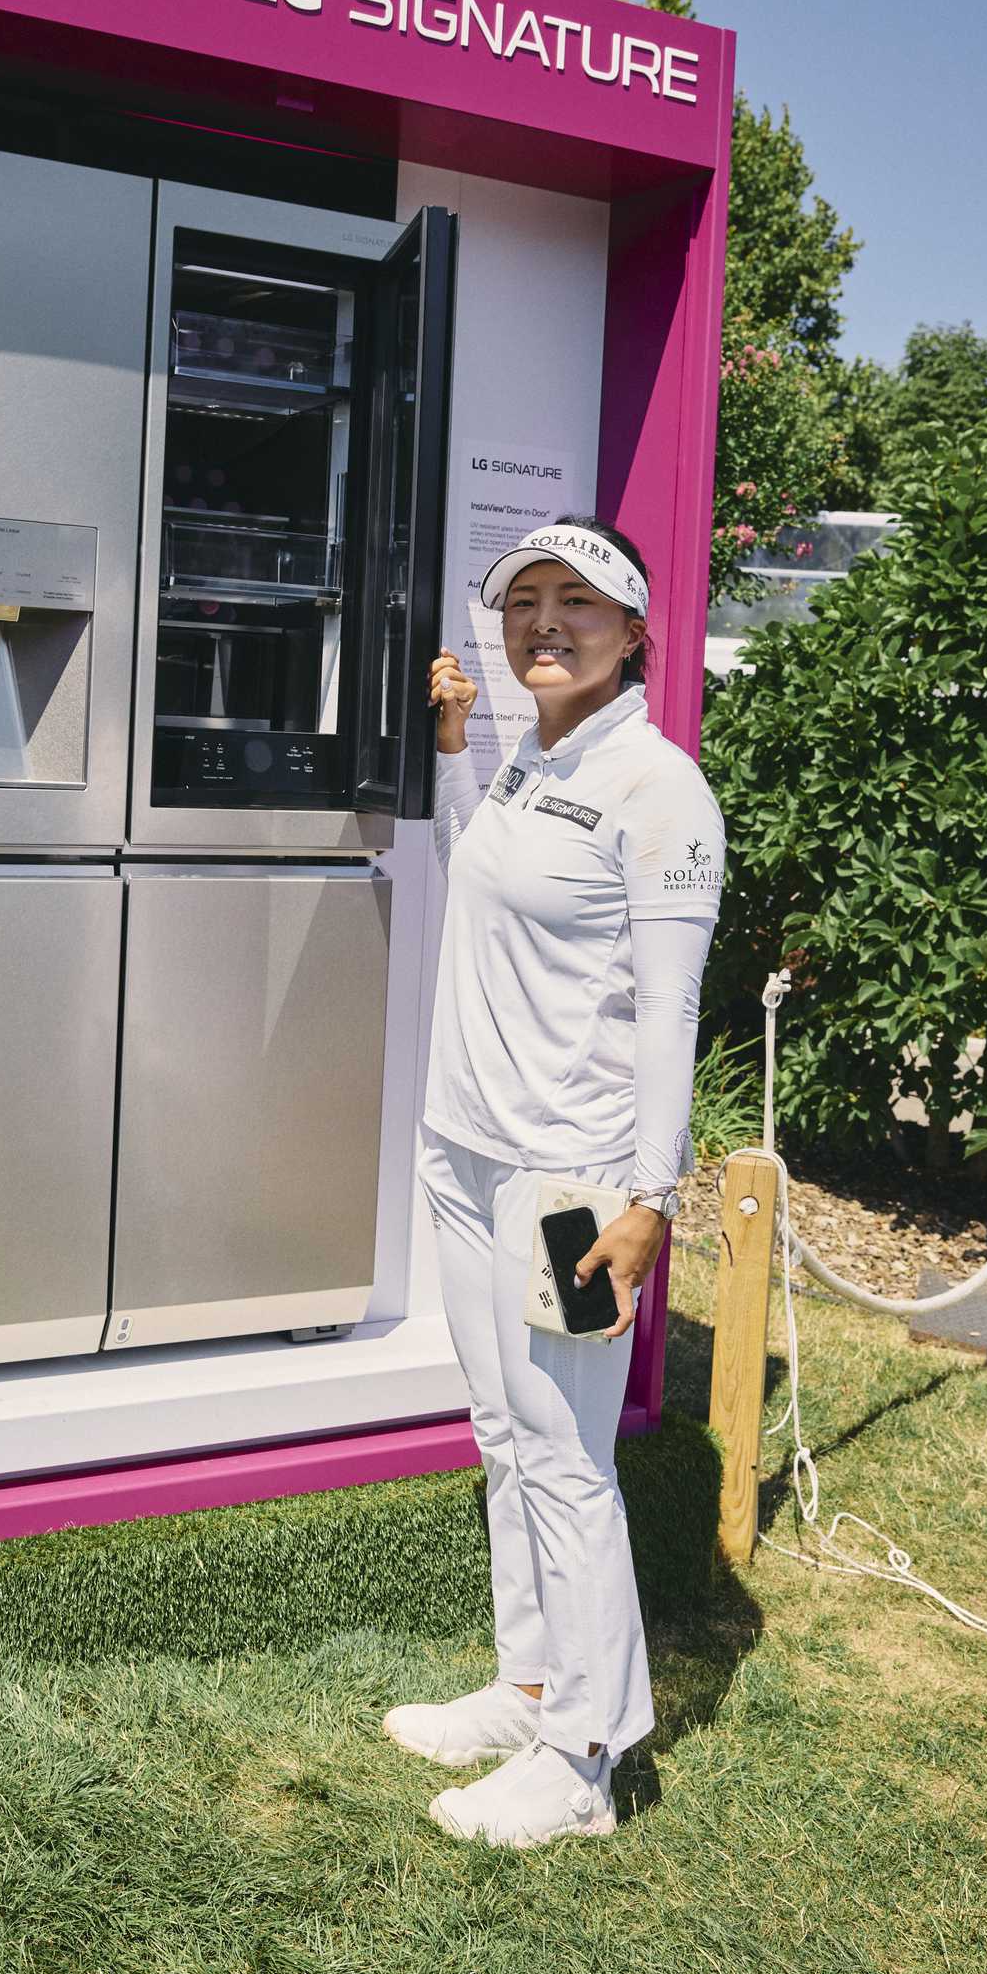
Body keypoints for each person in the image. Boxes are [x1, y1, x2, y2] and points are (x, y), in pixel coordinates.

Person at [382, 515, 725, 1847]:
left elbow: (669, 1014)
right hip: (466, 1154)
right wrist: (463, 752)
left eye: (578, 600)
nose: (545, 621)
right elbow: (484, 868)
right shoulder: (537, 764)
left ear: (637, 628)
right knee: (503, 1434)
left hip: (569, 1185)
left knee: (571, 1461)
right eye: (525, 598)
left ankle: (585, 1758)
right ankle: (528, 1687)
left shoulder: (660, 791)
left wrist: (652, 1196)